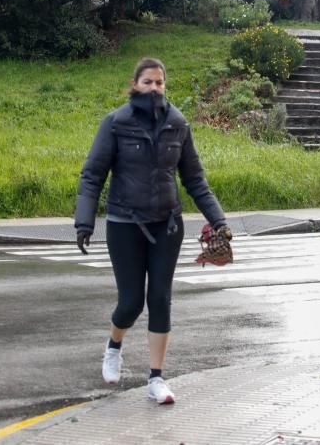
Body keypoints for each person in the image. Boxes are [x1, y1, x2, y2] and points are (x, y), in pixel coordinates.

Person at [74, 57, 232, 404]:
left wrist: (218, 219)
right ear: (135, 85)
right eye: (147, 82)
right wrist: (84, 221)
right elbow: (92, 175)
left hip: (167, 225)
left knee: (159, 298)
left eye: (160, 83)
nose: (154, 88)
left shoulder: (178, 124)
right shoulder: (115, 123)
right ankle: (114, 345)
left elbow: (194, 179)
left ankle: (156, 378)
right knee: (130, 302)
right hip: (124, 225)